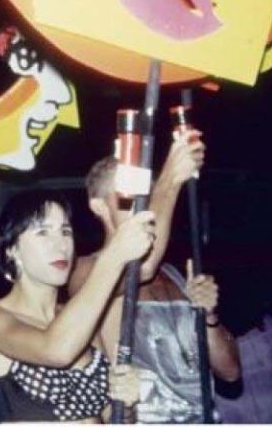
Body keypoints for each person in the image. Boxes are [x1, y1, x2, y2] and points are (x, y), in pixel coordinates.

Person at [74, 133, 241, 423]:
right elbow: (141, 268)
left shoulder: (176, 274)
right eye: (130, 198)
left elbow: (230, 371)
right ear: (99, 206)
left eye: (147, 196)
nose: (144, 207)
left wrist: (209, 318)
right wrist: (171, 179)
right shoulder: (86, 271)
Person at [0, 190, 149, 422]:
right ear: (12, 250)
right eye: (43, 232)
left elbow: (112, 418)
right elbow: (56, 351)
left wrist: (126, 404)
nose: (60, 244)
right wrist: (113, 258)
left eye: (65, 231)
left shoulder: (76, 319)